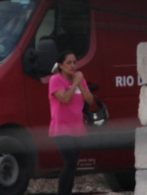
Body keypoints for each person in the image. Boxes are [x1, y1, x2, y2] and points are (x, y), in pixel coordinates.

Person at [49, 50, 93, 195]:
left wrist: (80, 84)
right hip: (61, 129)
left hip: (78, 128)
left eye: (74, 62)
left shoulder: (80, 80)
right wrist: (74, 84)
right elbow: (66, 99)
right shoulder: (56, 80)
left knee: (73, 165)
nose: (73, 65)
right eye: (69, 62)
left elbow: (90, 100)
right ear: (61, 65)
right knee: (70, 162)